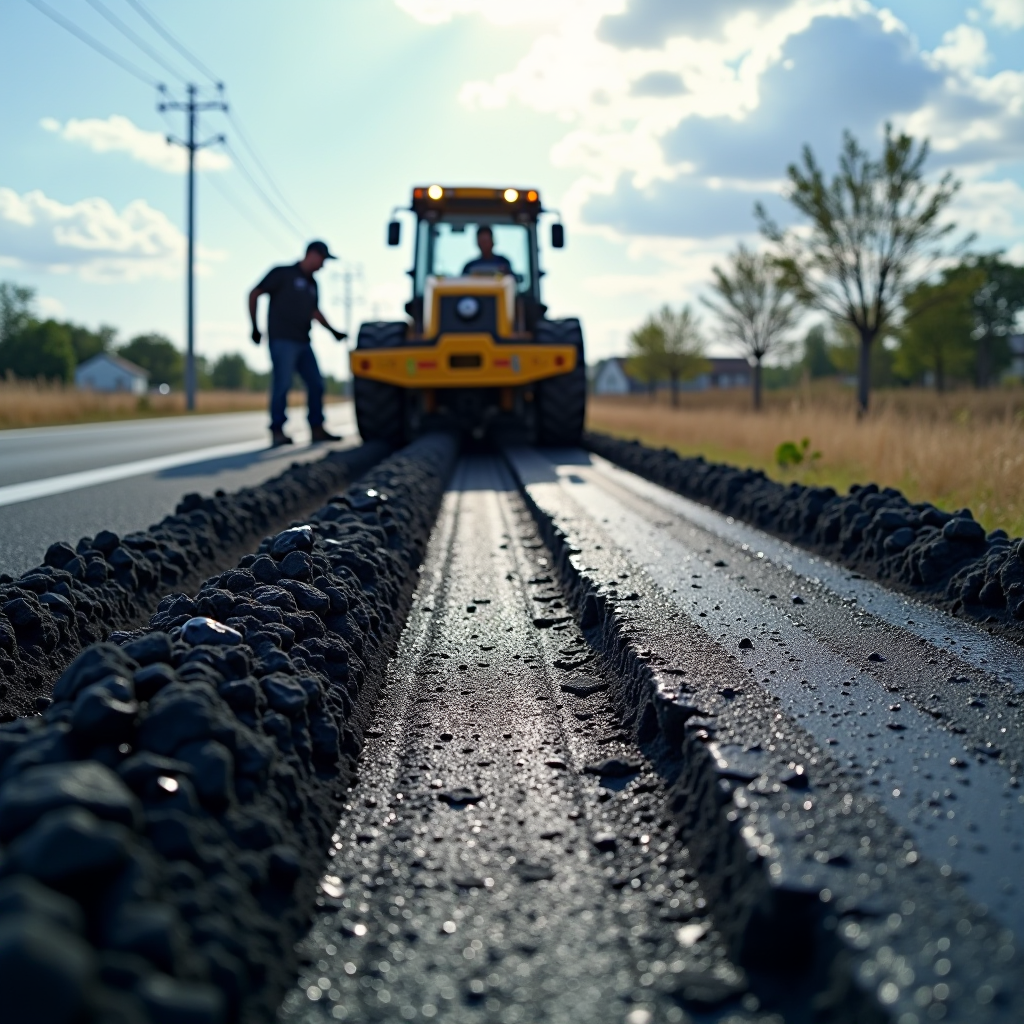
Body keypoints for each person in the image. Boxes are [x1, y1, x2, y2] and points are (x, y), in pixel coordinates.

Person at [249, 240, 347, 447]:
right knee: (283, 384)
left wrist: (333, 331)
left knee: (316, 383)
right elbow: (254, 293)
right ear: (312, 254)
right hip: (282, 340)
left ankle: (317, 427)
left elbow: (314, 312)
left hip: (303, 341)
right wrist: (255, 327)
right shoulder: (283, 273)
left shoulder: (312, 284)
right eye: (322, 259)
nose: (323, 265)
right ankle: (277, 429)